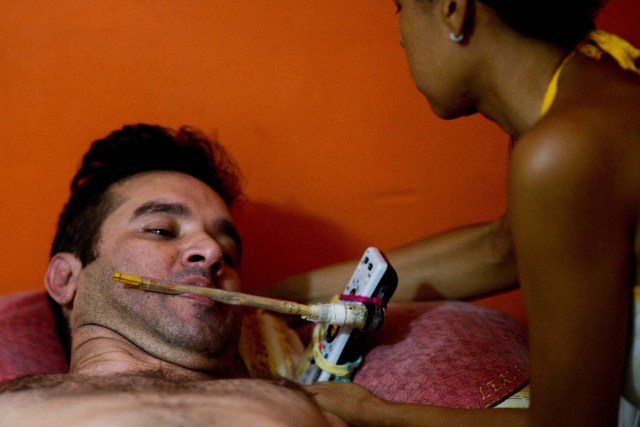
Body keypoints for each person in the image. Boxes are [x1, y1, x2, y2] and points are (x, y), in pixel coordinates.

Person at [267, 0, 640, 425]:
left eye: (399, 7)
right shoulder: (594, 74)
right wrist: (280, 297)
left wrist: (373, 411)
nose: (402, 36)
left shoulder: (565, 150)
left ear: (453, 8)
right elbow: (504, 249)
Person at [0, 124, 345, 427]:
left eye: (228, 254)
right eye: (161, 231)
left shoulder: (308, 407)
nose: (211, 252)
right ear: (65, 279)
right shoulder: (12, 406)